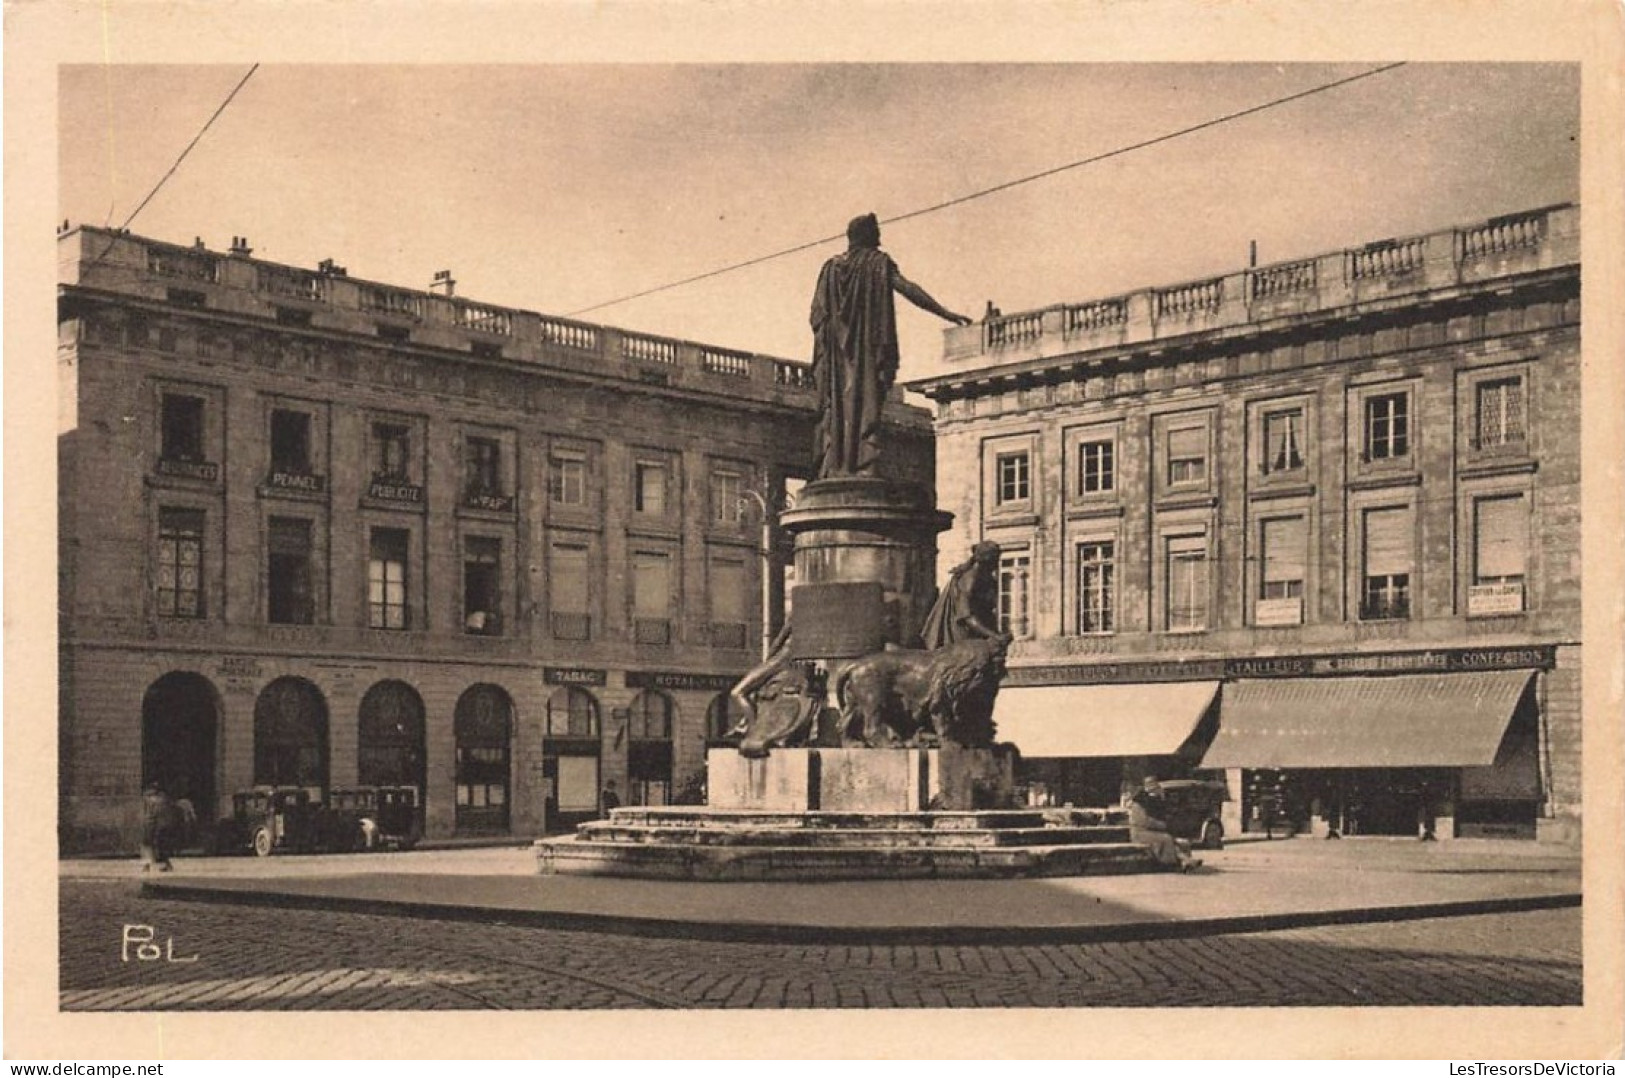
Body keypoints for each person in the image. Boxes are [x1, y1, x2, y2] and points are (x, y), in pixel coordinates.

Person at [810, 213, 972, 479]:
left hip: (837, 363)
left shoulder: (830, 269)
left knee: (840, 409)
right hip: (866, 355)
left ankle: (838, 464)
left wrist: (836, 336)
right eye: (876, 232)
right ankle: (863, 465)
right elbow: (908, 289)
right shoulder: (877, 263)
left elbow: (817, 315)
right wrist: (945, 313)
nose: (880, 237)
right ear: (867, 235)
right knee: (867, 404)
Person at [918, 541, 1006, 650]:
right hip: (962, 638)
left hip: (979, 635)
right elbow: (967, 617)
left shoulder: (987, 580)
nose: (997, 564)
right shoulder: (969, 581)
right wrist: (994, 635)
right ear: (986, 560)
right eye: (995, 560)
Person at [1128, 777, 1202, 873]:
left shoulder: (1155, 802)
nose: (1155, 792)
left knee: (1180, 841)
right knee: (1166, 839)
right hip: (1140, 833)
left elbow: (1165, 815)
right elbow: (1144, 822)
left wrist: (1162, 799)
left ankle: (1185, 862)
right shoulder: (1138, 804)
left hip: (1153, 831)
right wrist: (1163, 825)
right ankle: (1177, 862)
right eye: (1152, 789)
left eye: (1156, 788)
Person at [140, 784, 178, 873]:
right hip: (165, 826)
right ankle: (166, 864)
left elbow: (150, 816)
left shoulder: (150, 801)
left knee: (148, 845)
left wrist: (148, 826)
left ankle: (147, 865)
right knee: (161, 846)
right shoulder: (164, 800)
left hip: (155, 826)